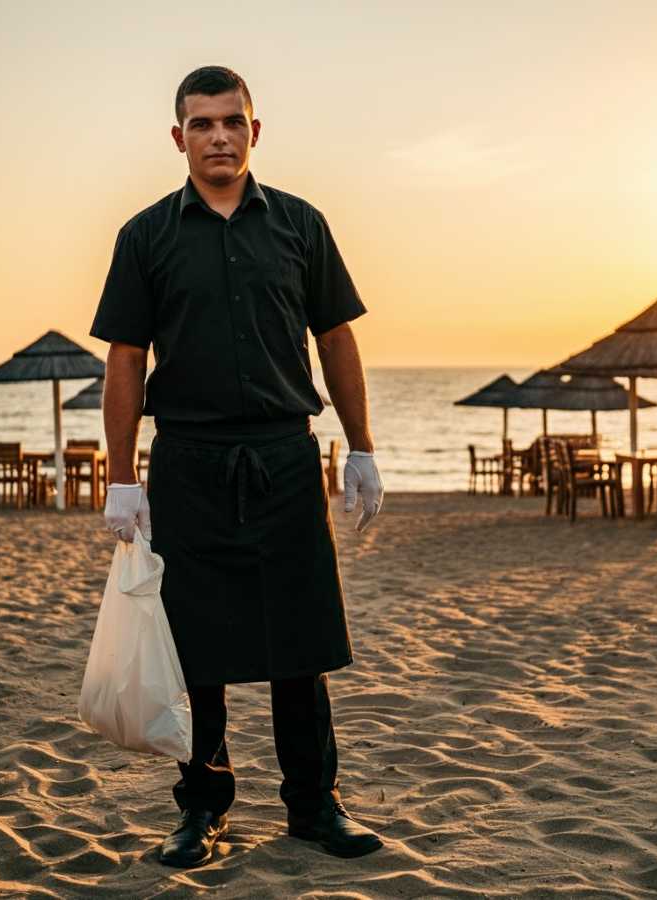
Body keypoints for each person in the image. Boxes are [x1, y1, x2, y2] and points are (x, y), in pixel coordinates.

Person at [90, 65, 384, 868]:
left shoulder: (300, 224)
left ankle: (315, 806)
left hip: (287, 457)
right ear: (178, 135)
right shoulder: (145, 235)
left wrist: (360, 446)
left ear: (255, 131)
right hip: (189, 460)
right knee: (200, 649)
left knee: (302, 642)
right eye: (201, 123)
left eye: (231, 122)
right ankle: (203, 810)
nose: (217, 135)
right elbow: (125, 355)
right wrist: (123, 475)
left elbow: (336, 337)